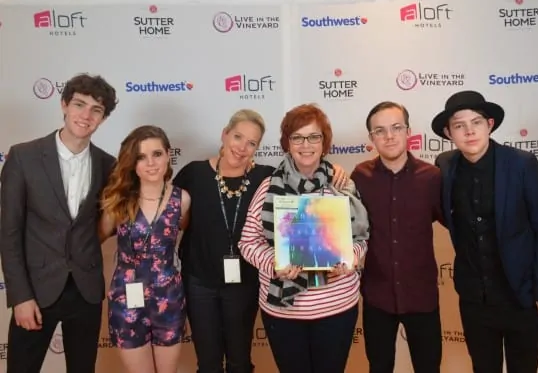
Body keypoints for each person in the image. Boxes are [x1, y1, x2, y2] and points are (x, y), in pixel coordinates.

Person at [173, 109, 349, 373]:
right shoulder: (194, 173)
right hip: (201, 280)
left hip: (245, 283)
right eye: (237, 137)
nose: (242, 147)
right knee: (208, 363)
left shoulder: (266, 178)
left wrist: (334, 168)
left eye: (252, 142)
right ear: (224, 134)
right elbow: (174, 218)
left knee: (240, 361)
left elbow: (353, 232)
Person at [432, 90, 538, 373]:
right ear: (448, 132)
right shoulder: (444, 165)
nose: (469, 131)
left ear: (489, 124)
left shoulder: (521, 164)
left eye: (476, 122)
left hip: (522, 296)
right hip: (475, 299)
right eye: (459, 125)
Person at [0, 74, 118, 373]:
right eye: (79, 104)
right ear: (64, 105)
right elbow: (9, 233)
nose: (86, 115)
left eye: (96, 110)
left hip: (86, 291)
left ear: (103, 119)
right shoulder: (23, 156)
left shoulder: (108, 164)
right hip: (36, 292)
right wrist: (21, 297)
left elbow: (103, 224)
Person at [239, 103, 369, 373]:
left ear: (324, 142)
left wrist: (350, 259)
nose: (305, 144)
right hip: (285, 313)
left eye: (314, 136)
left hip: (337, 308)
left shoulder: (341, 184)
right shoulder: (268, 187)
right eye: (297, 137)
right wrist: (275, 262)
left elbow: (361, 238)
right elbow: (248, 242)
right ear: (287, 143)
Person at [351, 101, 443, 373]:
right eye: (380, 131)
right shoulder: (360, 176)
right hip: (377, 297)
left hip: (422, 297)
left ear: (408, 131)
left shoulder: (432, 177)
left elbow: (459, 225)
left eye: (396, 128)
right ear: (371, 138)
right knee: (378, 368)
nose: (389, 136)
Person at [99, 125, 191, 373]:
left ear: (168, 154)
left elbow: (185, 230)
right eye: (141, 157)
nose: (151, 163)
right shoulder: (117, 200)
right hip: (125, 298)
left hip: (168, 297)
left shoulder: (181, 199)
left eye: (157, 154)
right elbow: (94, 238)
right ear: (132, 162)